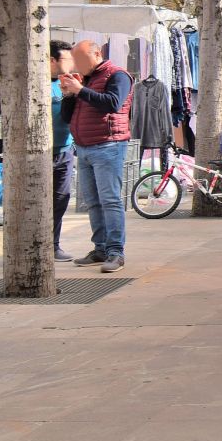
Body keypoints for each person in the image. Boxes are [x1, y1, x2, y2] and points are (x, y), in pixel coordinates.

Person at [59, 40, 133, 273]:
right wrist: (69, 95)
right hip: (84, 147)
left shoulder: (118, 75)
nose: (78, 65)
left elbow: (113, 103)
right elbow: (66, 117)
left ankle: (115, 252)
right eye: (75, 60)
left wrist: (81, 90)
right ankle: (100, 248)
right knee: (92, 202)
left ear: (98, 54)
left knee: (110, 200)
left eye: (82, 59)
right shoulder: (86, 80)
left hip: (108, 146)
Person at [50, 40, 75, 262]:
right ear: (52, 60)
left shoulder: (68, 83)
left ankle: (53, 245)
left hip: (65, 150)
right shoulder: (36, 85)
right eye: (68, 58)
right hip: (41, 153)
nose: (72, 63)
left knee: (61, 199)